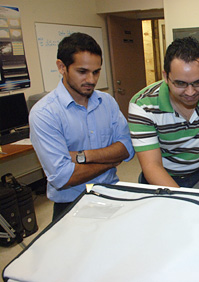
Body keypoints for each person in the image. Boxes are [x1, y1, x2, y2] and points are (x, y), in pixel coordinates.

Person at [29, 32, 135, 220]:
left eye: (96, 72)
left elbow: (127, 148)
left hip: (111, 195)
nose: (91, 80)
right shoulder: (45, 113)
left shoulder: (107, 102)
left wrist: (81, 157)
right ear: (61, 67)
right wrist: (110, 161)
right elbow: (63, 177)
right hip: (71, 204)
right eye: (82, 72)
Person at [128, 36, 199, 193]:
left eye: (198, 82)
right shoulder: (143, 105)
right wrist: (184, 202)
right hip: (161, 179)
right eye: (180, 83)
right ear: (165, 76)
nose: (191, 92)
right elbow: (152, 166)